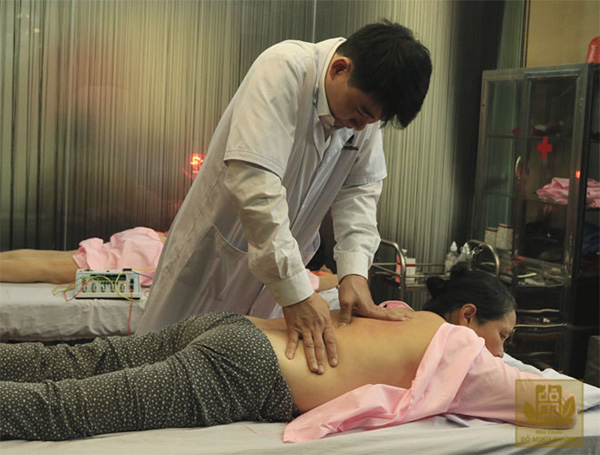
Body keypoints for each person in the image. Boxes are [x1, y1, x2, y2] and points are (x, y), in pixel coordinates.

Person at [137, 20, 433, 376]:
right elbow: (255, 183)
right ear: (340, 69)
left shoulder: (362, 117)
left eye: (374, 121)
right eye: (362, 113)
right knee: (159, 368)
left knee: (231, 373)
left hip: (275, 274)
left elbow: (359, 193)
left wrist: (354, 273)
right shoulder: (285, 68)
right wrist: (295, 293)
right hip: (215, 260)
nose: (361, 126)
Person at [0, 265, 573, 442]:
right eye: (504, 336)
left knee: (68, 366)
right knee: (62, 410)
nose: (504, 352)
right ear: (469, 317)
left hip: (228, 328)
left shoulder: (400, 313)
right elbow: (552, 407)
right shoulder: (464, 353)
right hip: (246, 370)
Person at [0, 227, 166, 286]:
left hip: (148, 240)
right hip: (102, 262)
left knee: (45, 258)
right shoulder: (162, 254)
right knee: (46, 267)